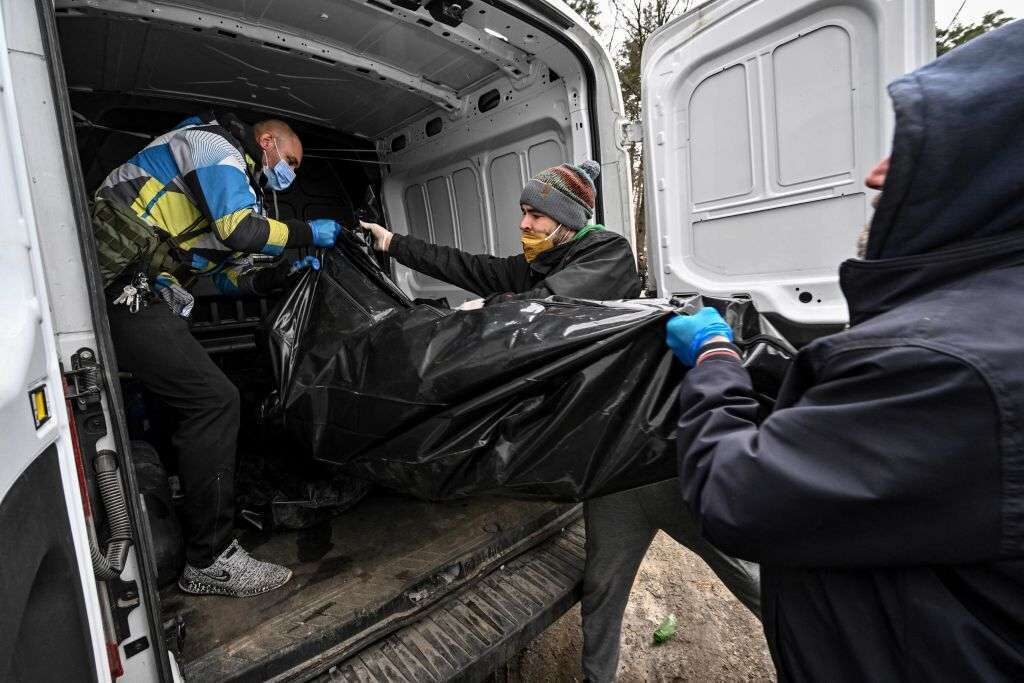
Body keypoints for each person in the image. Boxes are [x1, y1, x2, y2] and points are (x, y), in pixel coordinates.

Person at [665, 21, 1024, 679]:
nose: (875, 172)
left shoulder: (950, 362)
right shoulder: (989, 320)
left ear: (991, 171)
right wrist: (779, 371)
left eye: (920, 149)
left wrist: (716, 359)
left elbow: (732, 496)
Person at [361, 160, 759, 680]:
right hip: (606, 468)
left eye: (534, 215)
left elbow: (546, 313)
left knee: (747, 576)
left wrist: (483, 310)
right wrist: (393, 243)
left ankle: (833, 648)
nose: (524, 225)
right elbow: (470, 265)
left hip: (657, 463)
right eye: (523, 213)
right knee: (603, 587)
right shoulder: (545, 261)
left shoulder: (607, 253)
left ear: (567, 219)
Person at [94, 111, 342, 597]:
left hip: (142, 285)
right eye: (289, 160)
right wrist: (307, 232)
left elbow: (227, 276)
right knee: (214, 401)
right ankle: (209, 559)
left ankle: (198, 530)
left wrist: (283, 275)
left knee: (201, 401)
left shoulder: (236, 182)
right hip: (121, 280)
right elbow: (238, 231)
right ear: (267, 141)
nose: (289, 173)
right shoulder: (215, 149)